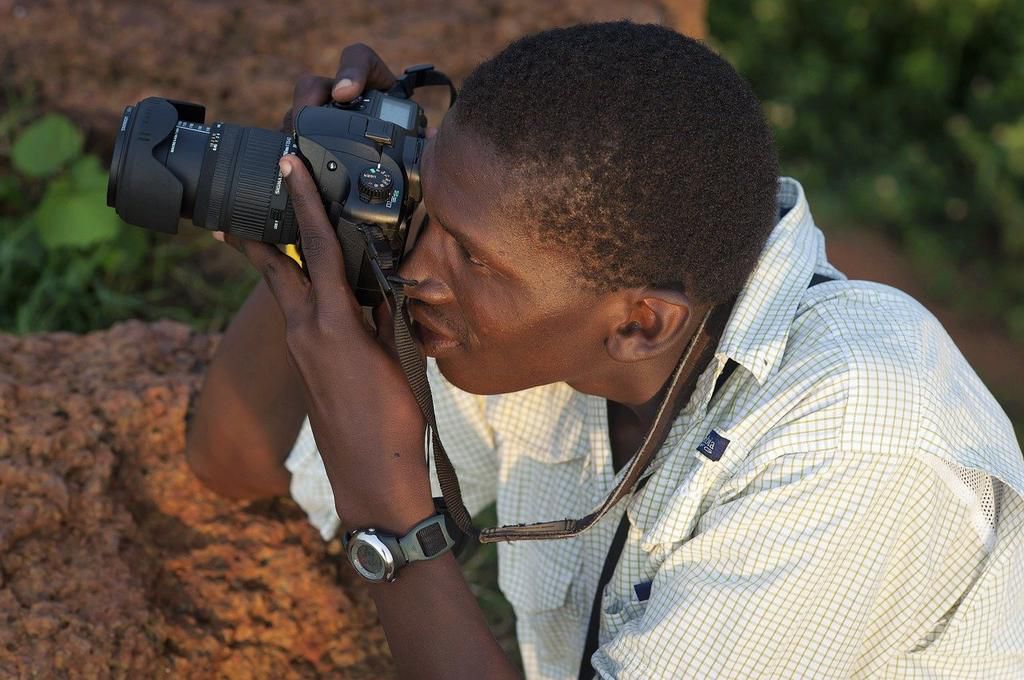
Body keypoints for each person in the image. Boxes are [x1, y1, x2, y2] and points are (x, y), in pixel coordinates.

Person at [184, 22, 1024, 679]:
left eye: (468, 255)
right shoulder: (544, 330)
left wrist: (392, 514)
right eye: (424, 208)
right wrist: (319, 208)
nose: (418, 266)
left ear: (640, 324)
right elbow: (236, 460)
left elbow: (358, 494)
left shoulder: (862, 445)